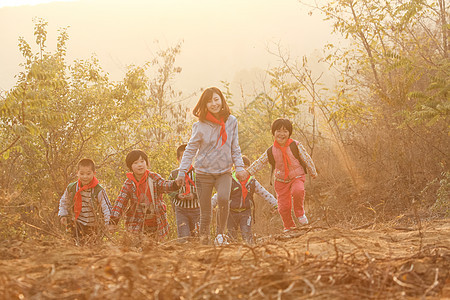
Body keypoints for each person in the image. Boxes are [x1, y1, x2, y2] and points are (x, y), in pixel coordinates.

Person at [175, 87, 247, 246]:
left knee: (223, 199)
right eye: (209, 101)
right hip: (203, 173)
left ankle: (220, 235)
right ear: (204, 104)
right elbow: (190, 150)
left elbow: (235, 147)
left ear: (222, 100)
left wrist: (240, 167)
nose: (214, 104)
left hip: (224, 172)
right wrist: (182, 172)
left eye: (216, 99)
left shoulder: (231, 121)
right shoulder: (199, 126)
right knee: (205, 211)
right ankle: (204, 241)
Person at [243, 118, 318, 232]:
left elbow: (306, 158)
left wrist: (313, 171)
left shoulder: (295, 145)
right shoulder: (271, 151)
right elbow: (260, 162)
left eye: (285, 131)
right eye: (278, 131)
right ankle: (289, 226)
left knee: (298, 191)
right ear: (273, 133)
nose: (282, 134)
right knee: (283, 207)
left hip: (296, 176)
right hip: (280, 181)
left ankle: (299, 213)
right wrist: (247, 172)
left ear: (289, 133)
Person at [110, 149, 179, 240]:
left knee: (156, 249)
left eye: (142, 161)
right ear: (130, 167)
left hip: (157, 221)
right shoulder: (129, 183)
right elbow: (121, 202)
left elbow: (164, 185)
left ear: (146, 163)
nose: (140, 165)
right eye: (135, 163)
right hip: (137, 223)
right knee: (138, 249)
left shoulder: (153, 178)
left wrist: (175, 184)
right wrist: (113, 221)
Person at [212, 155, 277, 244]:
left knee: (246, 234)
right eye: (240, 167)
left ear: (249, 169)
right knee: (231, 235)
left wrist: (276, 204)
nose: (242, 170)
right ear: (234, 168)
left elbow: (264, 194)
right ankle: (233, 254)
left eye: (245, 167)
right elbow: (219, 195)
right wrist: (210, 206)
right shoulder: (230, 180)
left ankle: (250, 251)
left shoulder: (252, 182)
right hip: (231, 212)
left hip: (245, 212)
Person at [58, 158, 112, 238]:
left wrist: (109, 223)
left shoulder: (98, 190)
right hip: (77, 223)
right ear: (77, 173)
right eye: (82, 174)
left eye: (88, 174)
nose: (85, 177)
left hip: (94, 226)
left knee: (92, 247)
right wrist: (63, 214)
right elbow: (64, 202)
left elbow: (106, 207)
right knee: (76, 245)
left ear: (94, 173)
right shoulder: (72, 188)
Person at [168, 144, 200, 242]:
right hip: (181, 210)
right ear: (178, 159)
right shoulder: (174, 174)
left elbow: (204, 189)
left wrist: (194, 195)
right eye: (183, 157)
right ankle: (183, 255)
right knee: (183, 236)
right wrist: (177, 196)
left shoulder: (198, 173)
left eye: (190, 157)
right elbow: (168, 189)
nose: (187, 160)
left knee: (197, 236)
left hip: (197, 210)